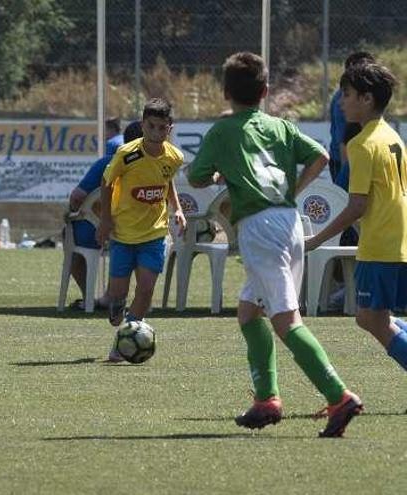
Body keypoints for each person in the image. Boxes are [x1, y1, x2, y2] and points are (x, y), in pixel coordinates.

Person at [188, 51, 362, 437]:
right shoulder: (280, 127)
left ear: (224, 92)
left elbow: (197, 178)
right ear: (266, 91)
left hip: (259, 227)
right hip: (288, 221)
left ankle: (339, 396)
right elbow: (319, 156)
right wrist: (293, 190)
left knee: (286, 320)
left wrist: (220, 172)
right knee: (249, 313)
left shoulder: (222, 131)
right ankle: (267, 400)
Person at [305, 62, 407, 379]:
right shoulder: (392, 137)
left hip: (379, 244)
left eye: (346, 94)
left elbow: (357, 206)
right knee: (374, 316)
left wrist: (316, 239)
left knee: (370, 318)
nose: (340, 101)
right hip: (397, 239)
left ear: (366, 98)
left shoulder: (361, 145)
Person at [96, 99, 185, 355]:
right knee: (117, 293)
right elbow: (106, 182)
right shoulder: (127, 154)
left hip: (154, 233)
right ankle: (117, 305)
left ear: (170, 128)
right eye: (151, 126)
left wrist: (176, 208)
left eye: (162, 128)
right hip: (124, 233)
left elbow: (166, 181)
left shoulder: (174, 156)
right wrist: (105, 218)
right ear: (142, 125)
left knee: (145, 289)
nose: (156, 133)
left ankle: (124, 342)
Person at [64, 117, 129, 311]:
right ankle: (113, 296)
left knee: (71, 242)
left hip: (93, 231)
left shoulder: (106, 163)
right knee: (133, 250)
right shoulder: (151, 166)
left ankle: (89, 298)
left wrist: (70, 213)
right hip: (132, 231)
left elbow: (77, 197)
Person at [329, 52, 376, 190]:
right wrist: (346, 174)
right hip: (344, 162)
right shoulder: (346, 102)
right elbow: (344, 142)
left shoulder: (369, 98)